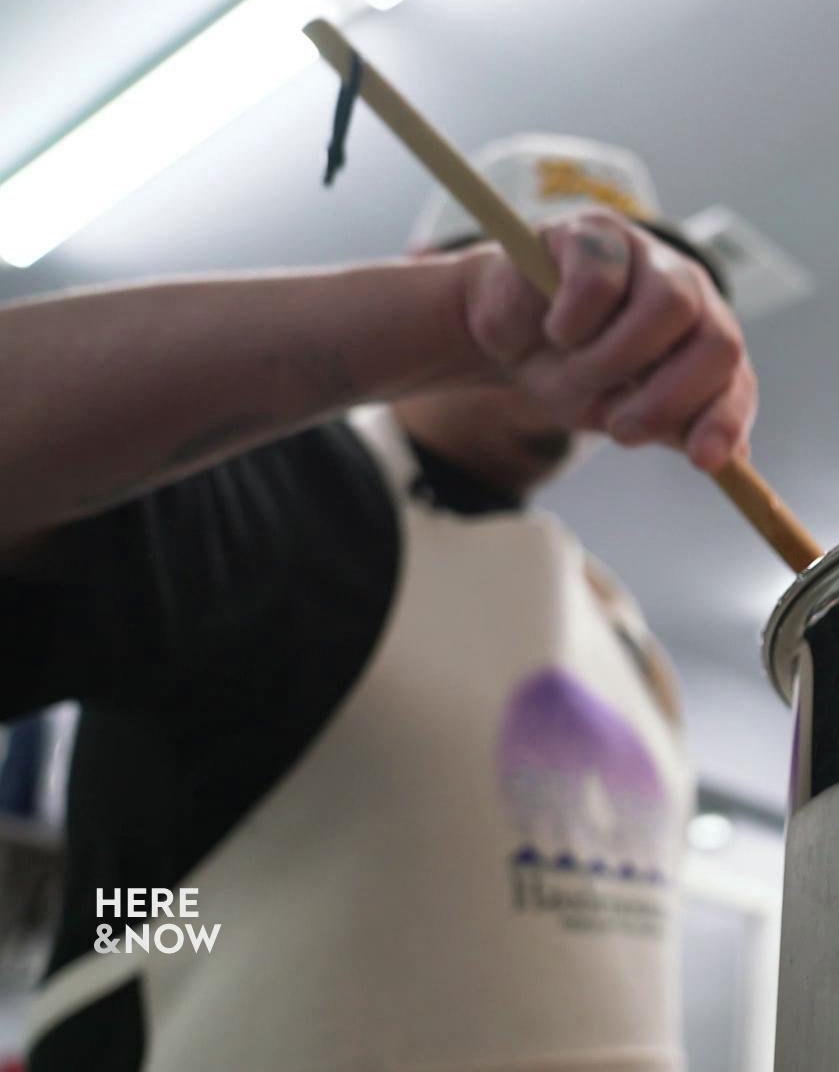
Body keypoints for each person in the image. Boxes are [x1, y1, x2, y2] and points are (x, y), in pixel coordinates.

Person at [0, 135, 753, 1071]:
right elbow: (143, 923)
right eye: (544, 281)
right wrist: (461, 320)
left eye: (618, 313)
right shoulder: (281, 495)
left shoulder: (616, 624)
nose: (586, 327)